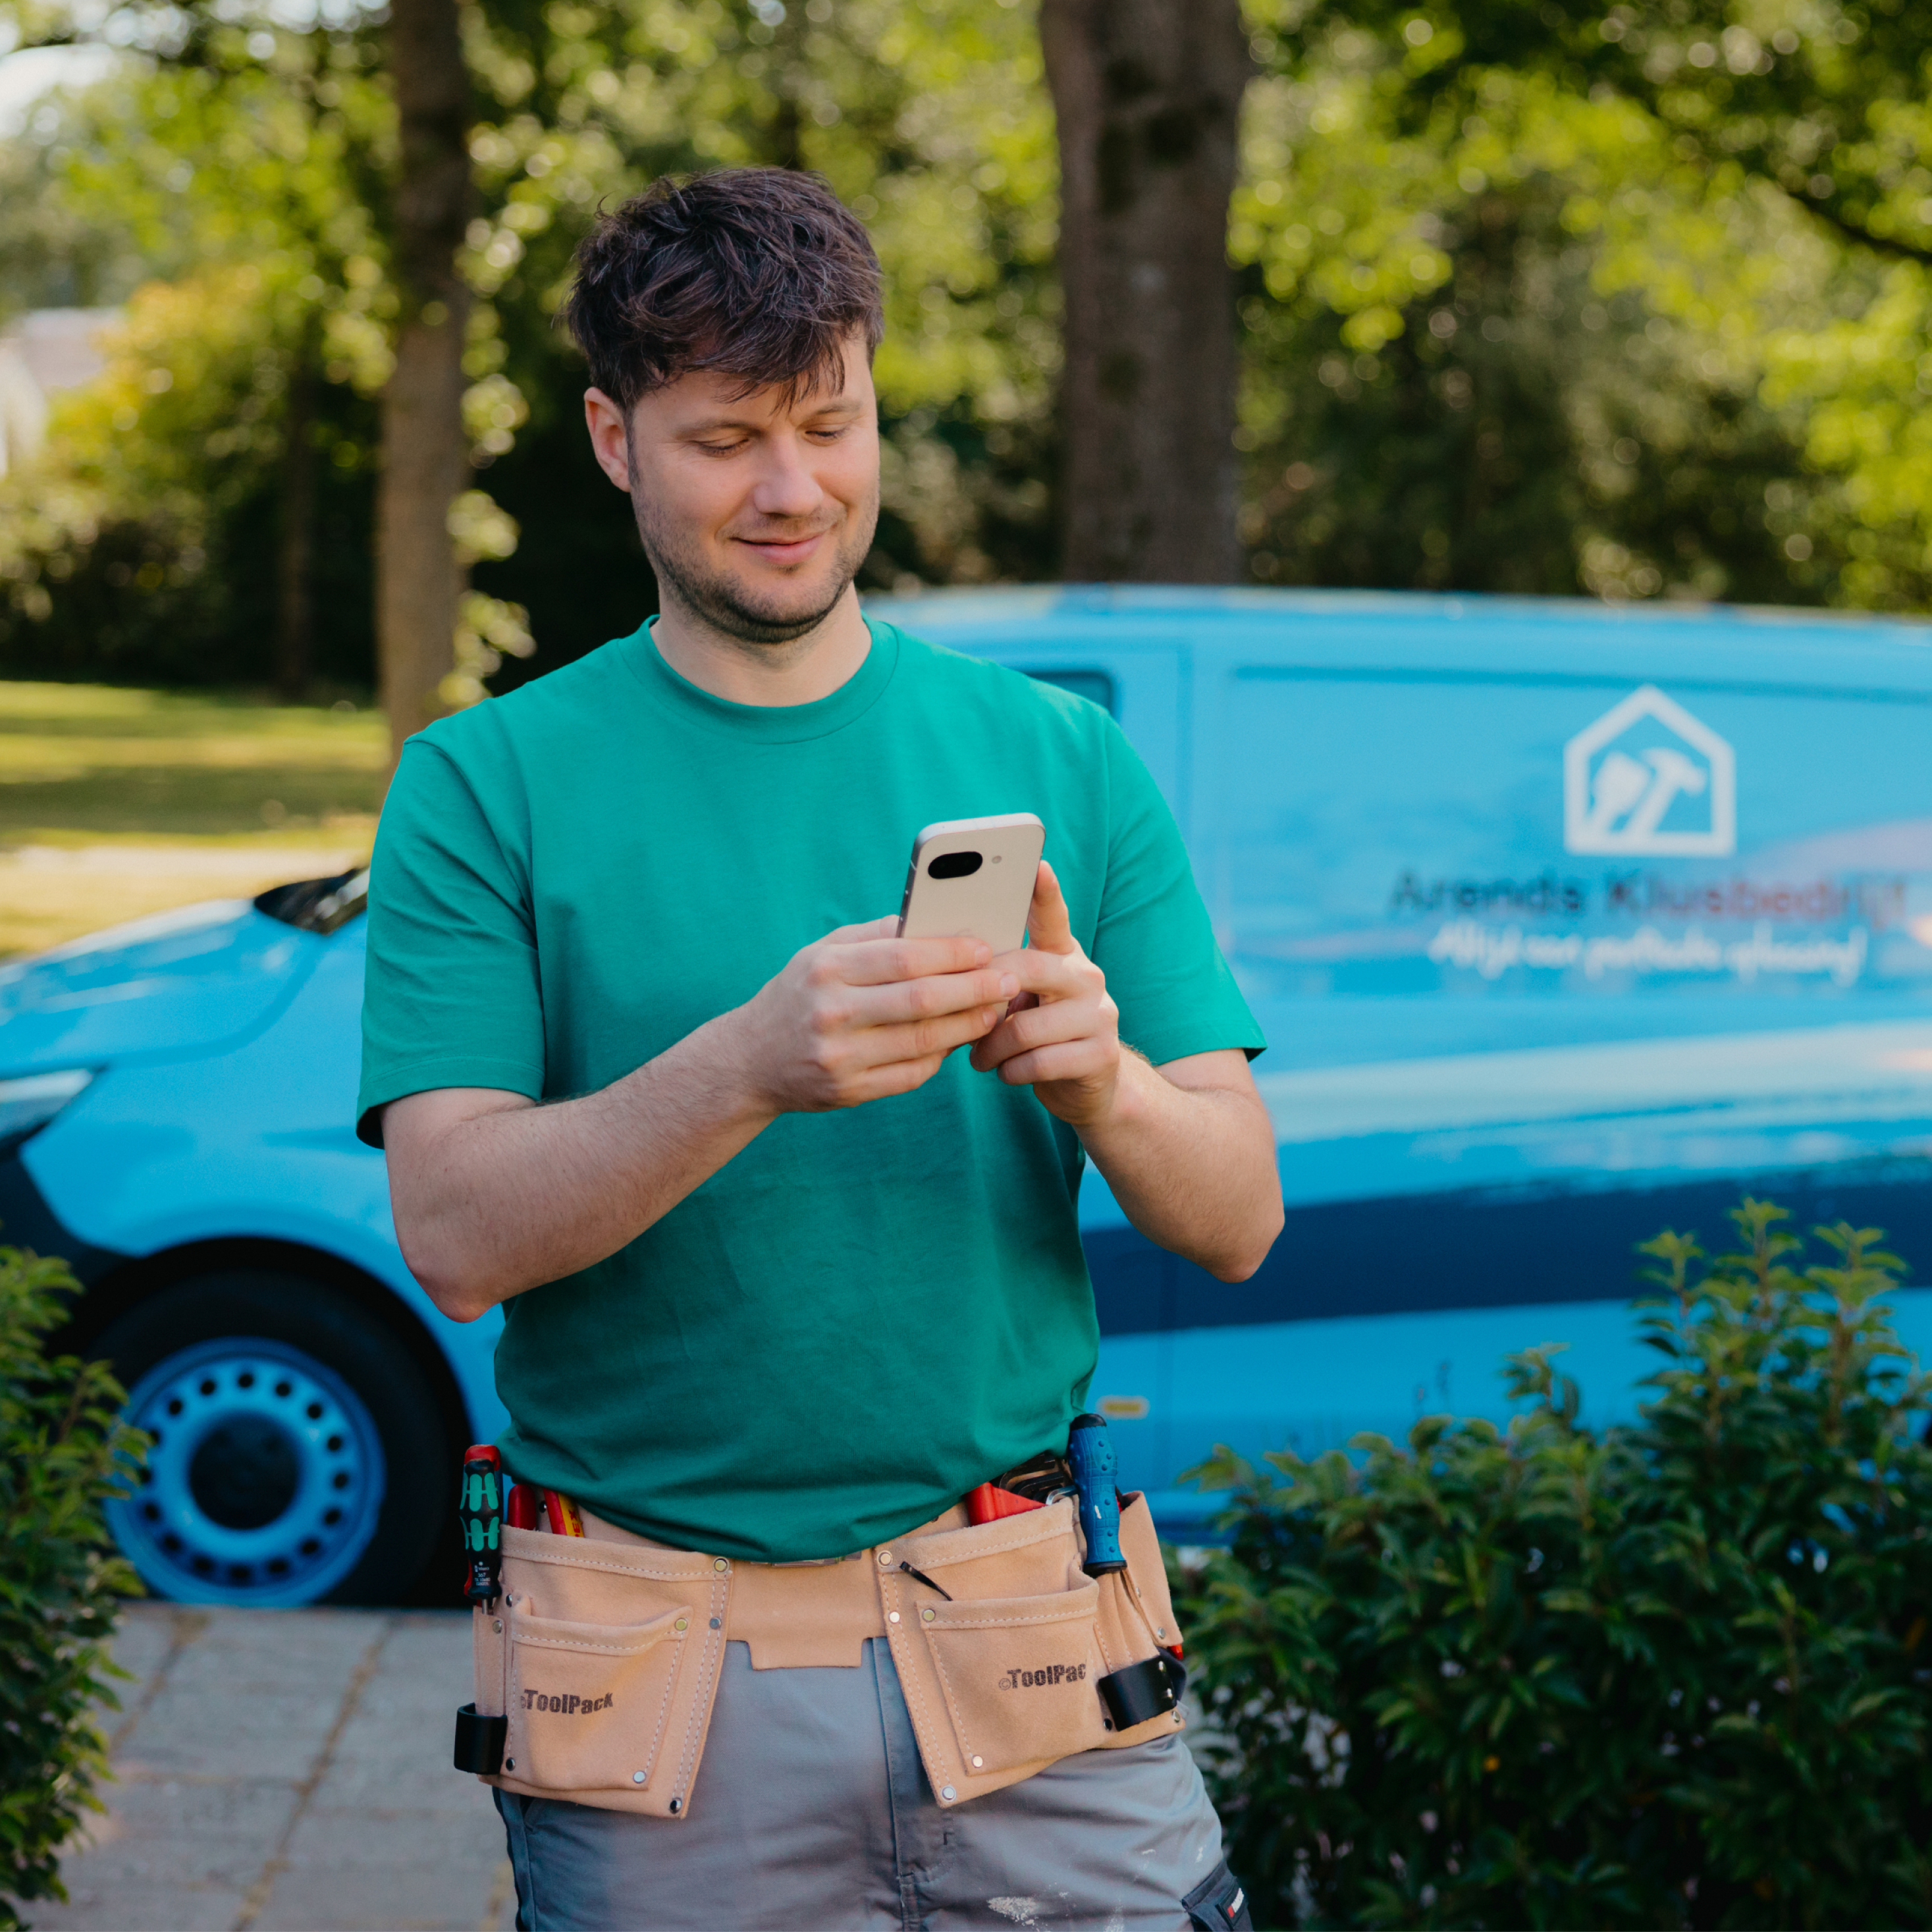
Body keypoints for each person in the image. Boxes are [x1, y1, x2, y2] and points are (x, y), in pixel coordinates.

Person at [359, 166, 1283, 1931]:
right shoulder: (485, 786)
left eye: (827, 422)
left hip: (1035, 1638)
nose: (791, 490)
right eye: (723, 439)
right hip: (659, 1692)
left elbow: (1237, 1212)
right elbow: (456, 1233)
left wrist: (1100, 1075)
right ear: (614, 440)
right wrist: (746, 1066)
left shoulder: (1056, 759)